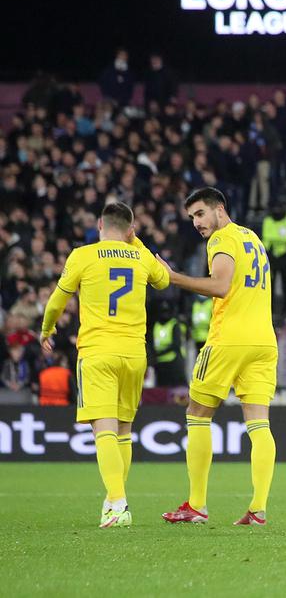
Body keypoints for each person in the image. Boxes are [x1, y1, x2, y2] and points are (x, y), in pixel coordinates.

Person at [39, 201, 170, 528]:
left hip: (98, 352)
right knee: (123, 431)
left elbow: (57, 301)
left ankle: (118, 503)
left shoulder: (82, 255)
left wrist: (46, 329)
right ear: (130, 228)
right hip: (134, 354)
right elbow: (164, 280)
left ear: (99, 224)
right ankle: (114, 501)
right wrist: (135, 242)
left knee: (104, 432)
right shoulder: (140, 255)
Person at [161, 187, 278, 528]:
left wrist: (173, 277)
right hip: (264, 342)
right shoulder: (252, 238)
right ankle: (258, 508)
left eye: (199, 214)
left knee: (197, 414)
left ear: (219, 208)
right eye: (192, 218)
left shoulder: (222, 239)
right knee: (259, 424)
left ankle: (196, 504)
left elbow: (221, 286)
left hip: (228, 340)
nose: (196, 223)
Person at [151, 308, 188, 388]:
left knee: (175, 389)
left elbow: (176, 344)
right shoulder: (156, 325)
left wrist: (158, 354)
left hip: (173, 362)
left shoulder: (174, 324)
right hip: (160, 363)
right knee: (161, 390)